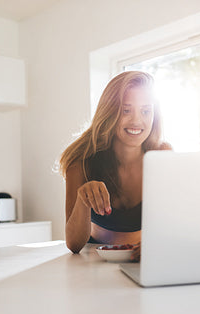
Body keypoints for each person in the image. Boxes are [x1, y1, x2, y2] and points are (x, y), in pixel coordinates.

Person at [59, 71, 171, 256]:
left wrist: (159, 244)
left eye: (145, 111)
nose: (137, 120)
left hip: (146, 258)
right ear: (110, 112)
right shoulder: (80, 160)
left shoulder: (163, 154)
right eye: (126, 110)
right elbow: (74, 244)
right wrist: (82, 199)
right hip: (95, 260)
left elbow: (173, 222)